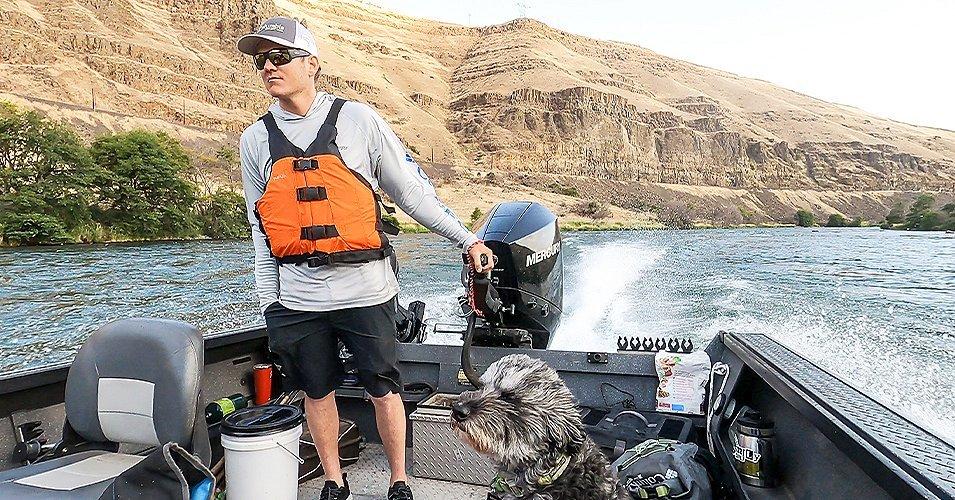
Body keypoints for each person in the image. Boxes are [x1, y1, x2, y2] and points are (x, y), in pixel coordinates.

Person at [236, 16, 494, 500]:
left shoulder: (359, 120)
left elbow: (411, 191)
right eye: (260, 60)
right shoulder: (254, 141)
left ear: (311, 64)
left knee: (383, 387)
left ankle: (398, 480)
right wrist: (269, 299)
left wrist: (467, 240)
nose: (268, 67)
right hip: (297, 297)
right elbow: (261, 225)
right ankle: (334, 482)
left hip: (368, 289)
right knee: (316, 391)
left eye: (279, 56)